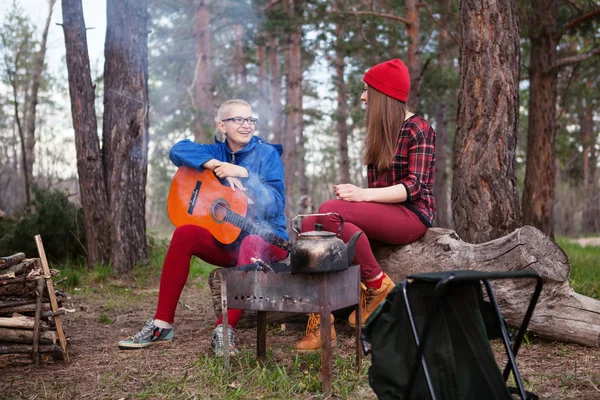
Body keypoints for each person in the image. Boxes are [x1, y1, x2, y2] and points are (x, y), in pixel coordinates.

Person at [118, 99, 289, 355]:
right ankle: (162, 323)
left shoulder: (267, 154)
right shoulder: (214, 152)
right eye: (238, 120)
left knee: (251, 243)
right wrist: (215, 165)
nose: (246, 125)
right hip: (227, 243)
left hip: (266, 241)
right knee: (184, 233)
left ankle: (223, 330)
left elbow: (276, 204)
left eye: (250, 120)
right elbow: (178, 149)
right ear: (223, 125)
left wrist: (243, 174)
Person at [296, 59, 436, 352]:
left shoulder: (419, 129)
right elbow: (373, 196)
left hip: (412, 216)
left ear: (384, 95)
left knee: (329, 209)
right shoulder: (380, 132)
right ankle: (322, 322)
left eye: (366, 89)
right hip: (386, 213)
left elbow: (414, 187)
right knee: (312, 223)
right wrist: (361, 199)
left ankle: (377, 285)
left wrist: (360, 196)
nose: (362, 97)